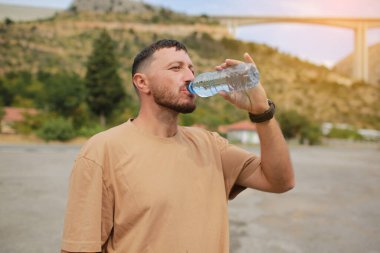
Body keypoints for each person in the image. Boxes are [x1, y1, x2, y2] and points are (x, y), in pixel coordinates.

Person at [61, 39, 294, 253]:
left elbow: (280, 181)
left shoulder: (210, 144)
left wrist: (261, 111)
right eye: (176, 68)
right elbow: (79, 248)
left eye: (191, 69)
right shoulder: (103, 150)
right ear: (142, 82)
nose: (190, 76)